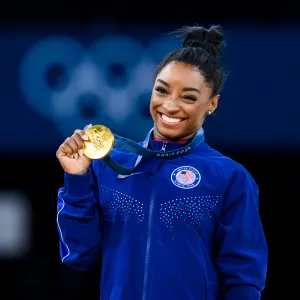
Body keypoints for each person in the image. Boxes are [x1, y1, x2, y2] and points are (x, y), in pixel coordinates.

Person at [56, 24, 268, 300]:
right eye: (162, 90)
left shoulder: (229, 177)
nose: (170, 105)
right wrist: (77, 179)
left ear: (212, 104)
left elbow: (243, 281)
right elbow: (79, 255)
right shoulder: (108, 165)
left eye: (188, 97)